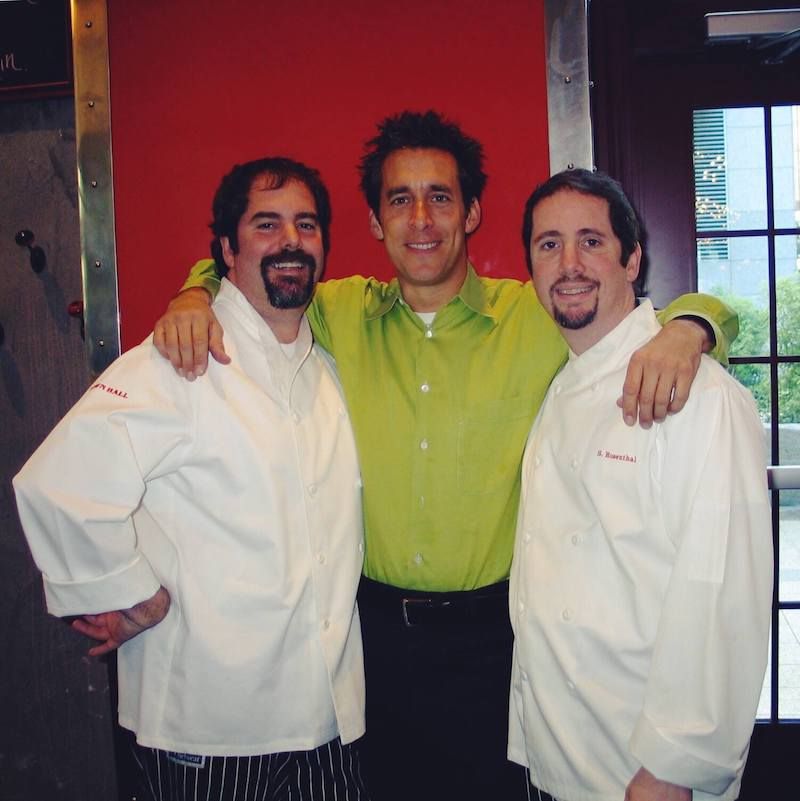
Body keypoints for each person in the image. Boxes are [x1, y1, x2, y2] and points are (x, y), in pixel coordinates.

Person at [153, 111, 738, 801]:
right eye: (400, 199)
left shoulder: (537, 316)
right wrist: (196, 290)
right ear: (375, 221)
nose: (421, 217)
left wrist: (694, 327)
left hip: (497, 645)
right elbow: (253, 268)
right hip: (374, 642)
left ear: (472, 212)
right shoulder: (335, 312)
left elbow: (632, 312)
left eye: (441, 196)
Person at [13, 157, 369, 801]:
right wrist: (132, 595)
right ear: (227, 250)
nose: (291, 241)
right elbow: (57, 483)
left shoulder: (326, 372)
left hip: (325, 722)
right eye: (267, 224)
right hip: (209, 731)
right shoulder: (178, 359)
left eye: (306, 224)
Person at [510, 168, 772, 801]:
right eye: (549, 245)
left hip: (642, 773)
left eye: (591, 242)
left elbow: (721, 593)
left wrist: (674, 766)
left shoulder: (700, 396)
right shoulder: (559, 379)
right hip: (554, 752)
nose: (569, 264)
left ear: (633, 259)